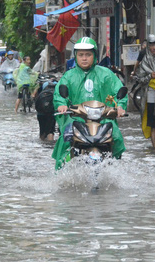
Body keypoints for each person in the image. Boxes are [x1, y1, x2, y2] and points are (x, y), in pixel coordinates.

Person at [52, 37, 127, 170]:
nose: (84, 58)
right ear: (76, 56)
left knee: (116, 136)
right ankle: (61, 169)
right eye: (81, 55)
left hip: (103, 119)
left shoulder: (106, 74)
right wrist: (62, 104)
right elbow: (59, 94)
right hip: (76, 118)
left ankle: (114, 167)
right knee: (65, 139)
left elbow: (119, 91)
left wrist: (120, 107)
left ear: (95, 56)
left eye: (88, 55)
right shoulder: (68, 76)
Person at [34, 76, 58, 141]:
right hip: (51, 112)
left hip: (40, 111)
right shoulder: (59, 85)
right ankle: (50, 145)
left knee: (42, 129)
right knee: (51, 130)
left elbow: (35, 96)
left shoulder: (44, 84)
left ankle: (41, 143)